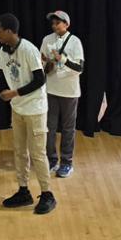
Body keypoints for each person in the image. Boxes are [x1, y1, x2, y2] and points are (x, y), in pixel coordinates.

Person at [0, 13, 56, 215]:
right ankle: (23, 191)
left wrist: (14, 93)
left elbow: (40, 80)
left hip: (35, 109)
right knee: (20, 151)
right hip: (18, 108)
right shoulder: (3, 51)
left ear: (9, 31)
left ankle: (47, 194)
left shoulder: (28, 49)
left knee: (38, 153)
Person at [40, 10, 85, 178]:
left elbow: (79, 68)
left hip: (69, 92)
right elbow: (41, 63)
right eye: (53, 23)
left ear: (66, 24)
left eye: (58, 22)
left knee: (68, 129)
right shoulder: (47, 39)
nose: (54, 26)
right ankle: (52, 159)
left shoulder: (75, 41)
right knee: (49, 128)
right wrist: (47, 64)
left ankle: (66, 163)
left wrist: (62, 59)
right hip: (51, 90)